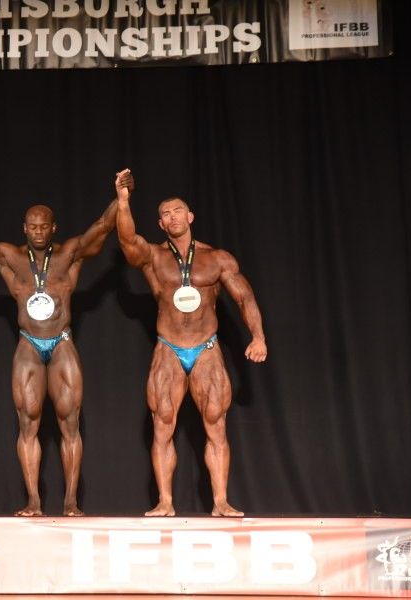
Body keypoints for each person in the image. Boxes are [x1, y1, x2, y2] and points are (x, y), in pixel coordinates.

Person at [0, 178, 124, 517]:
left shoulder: (69, 254)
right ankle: (34, 502)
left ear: (53, 228)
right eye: (33, 226)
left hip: (62, 341)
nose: (38, 232)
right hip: (28, 343)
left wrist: (120, 197)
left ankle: (71, 502)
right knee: (28, 422)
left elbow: (102, 226)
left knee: (70, 422)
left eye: (44, 226)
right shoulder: (9, 257)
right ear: (24, 228)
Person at [114, 168, 267, 517]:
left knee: (216, 425)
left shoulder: (217, 259)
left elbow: (244, 297)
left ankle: (221, 502)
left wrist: (258, 336)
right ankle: (165, 502)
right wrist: (123, 202)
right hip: (168, 347)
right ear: (160, 224)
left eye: (178, 211)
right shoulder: (154, 257)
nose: (172, 217)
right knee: (162, 424)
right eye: (165, 214)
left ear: (190, 216)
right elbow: (127, 242)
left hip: (206, 348)